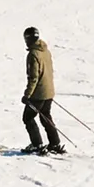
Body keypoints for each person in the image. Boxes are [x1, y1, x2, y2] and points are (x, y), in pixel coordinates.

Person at [21, 26, 63, 154]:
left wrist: (27, 95)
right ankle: (55, 143)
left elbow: (33, 77)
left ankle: (37, 144)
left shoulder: (33, 54)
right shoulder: (46, 51)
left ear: (28, 39)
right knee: (46, 116)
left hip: (38, 93)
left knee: (28, 118)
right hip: (49, 91)